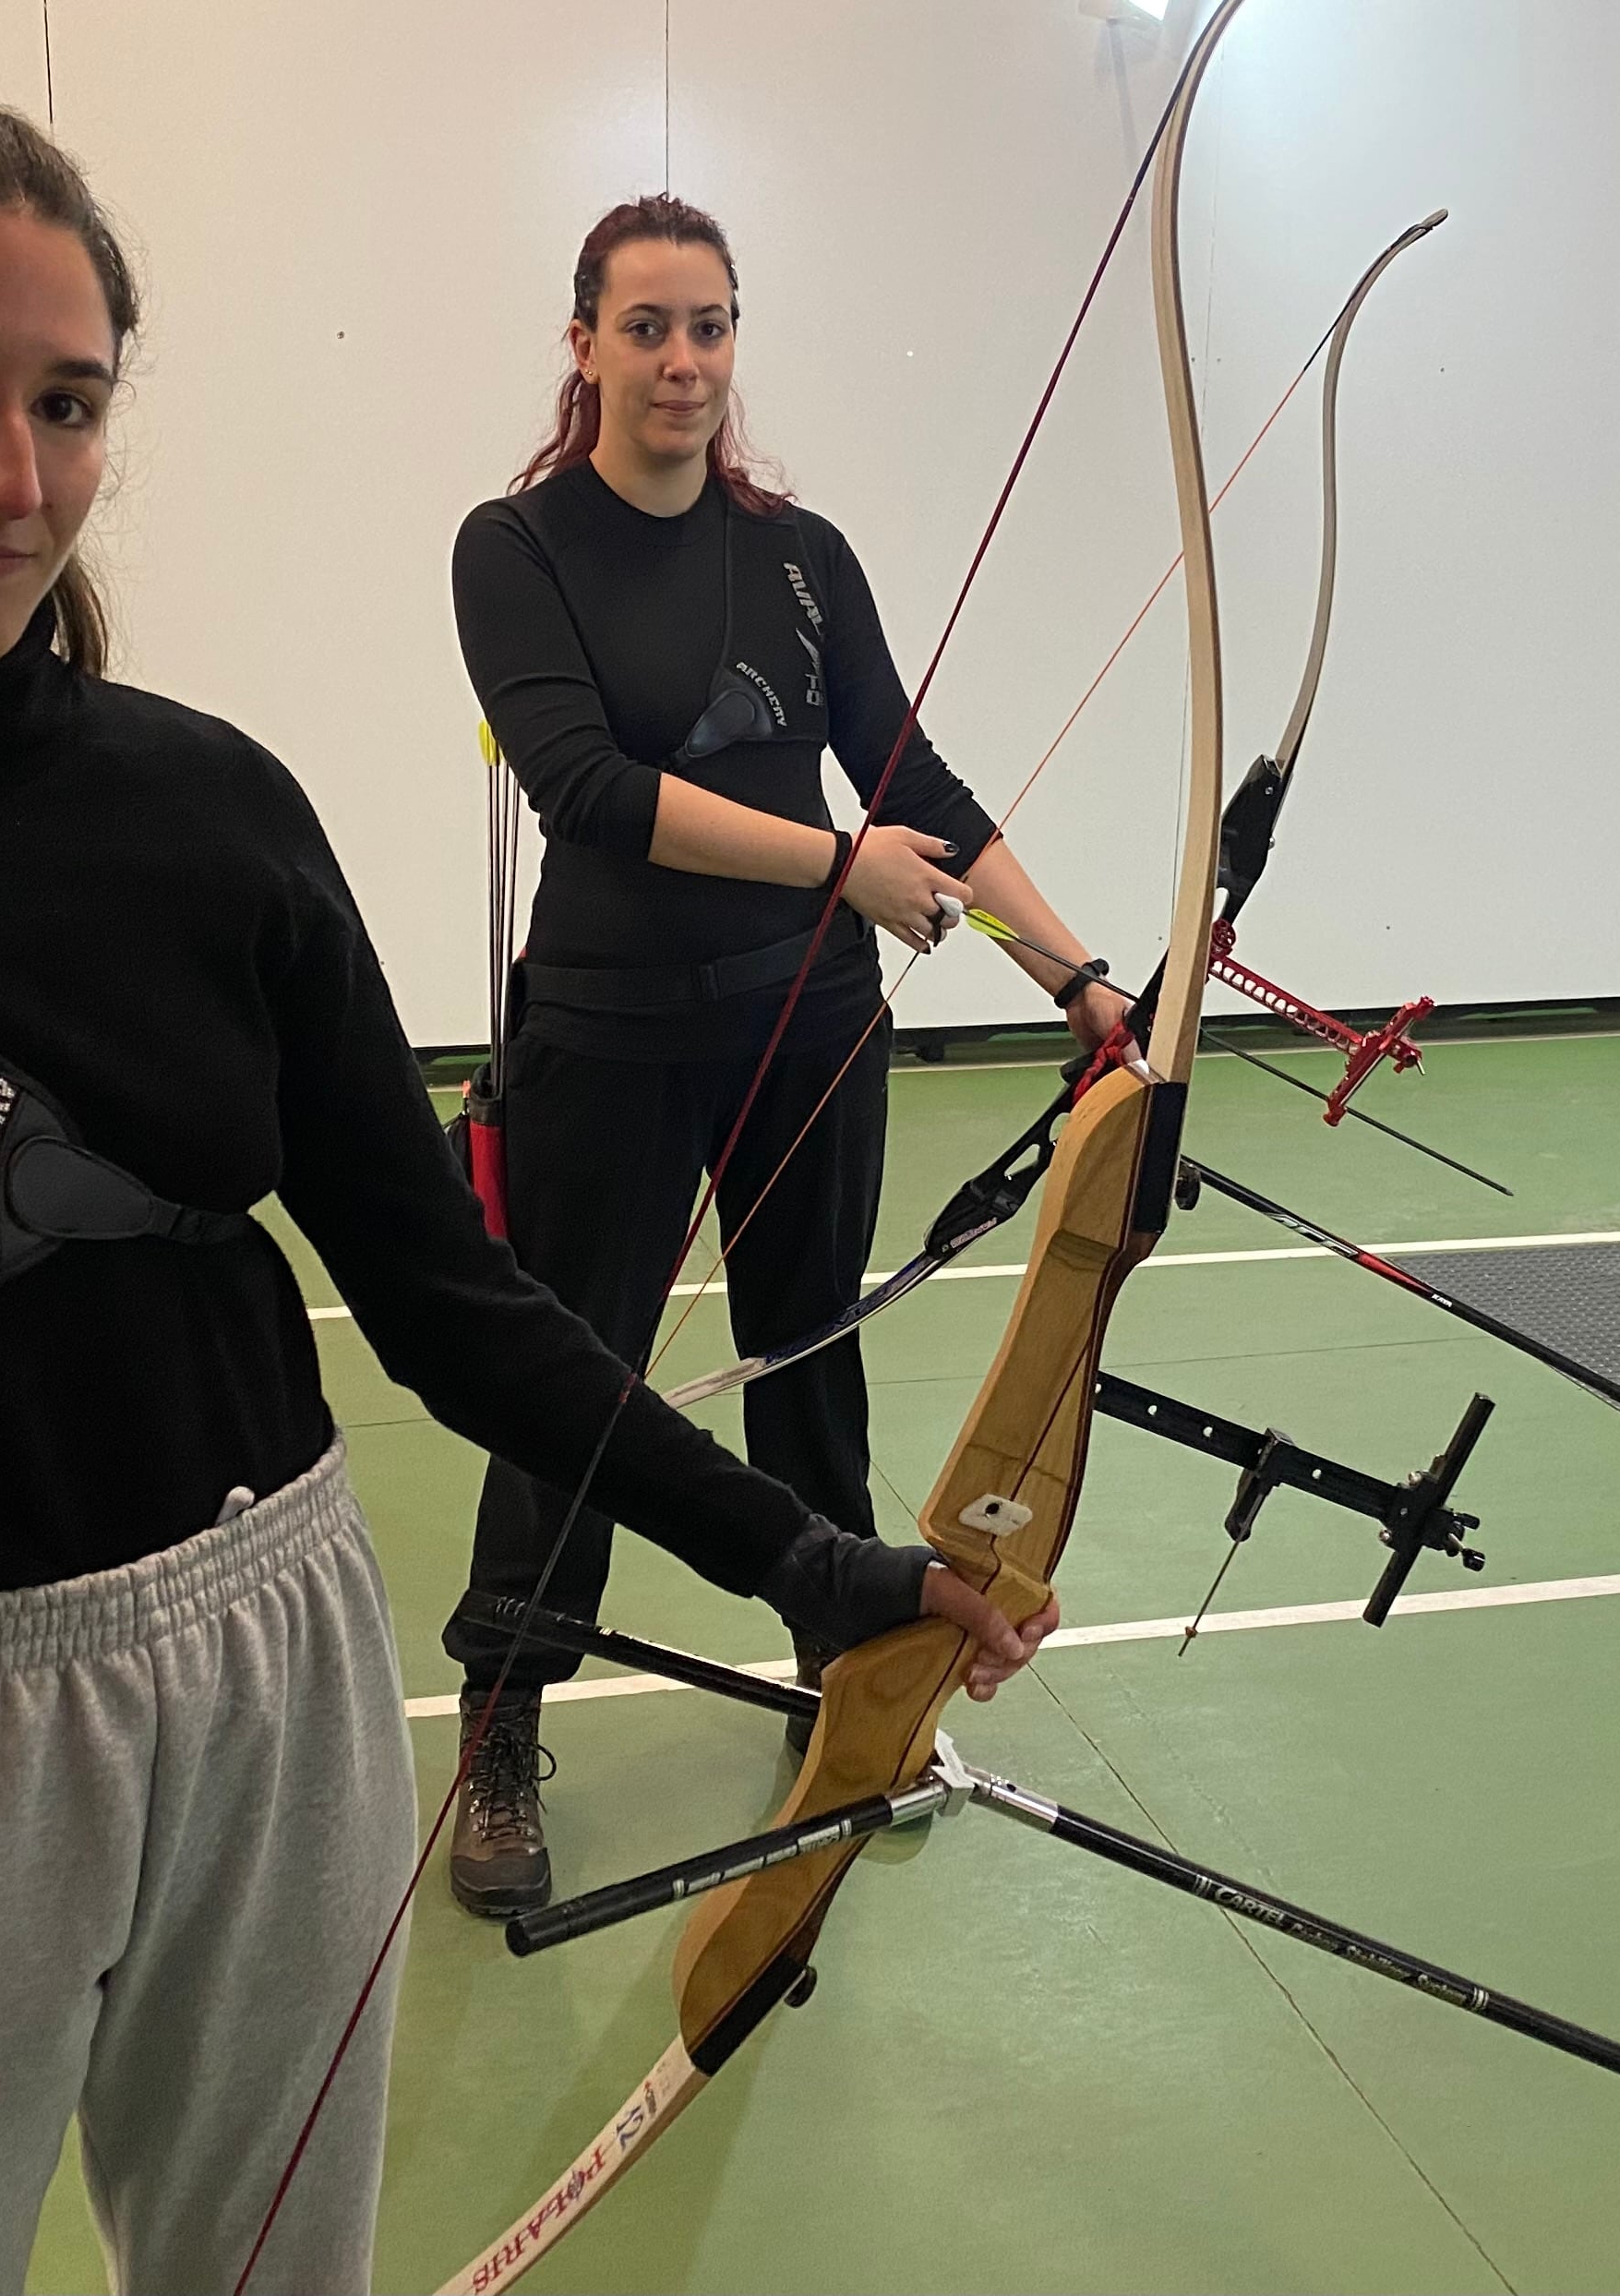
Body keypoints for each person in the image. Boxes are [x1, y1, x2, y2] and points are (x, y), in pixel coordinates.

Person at [0, 87, 1047, 2295]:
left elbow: (451, 1297)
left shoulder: (213, 815)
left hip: (279, 1676)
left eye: (68, 403)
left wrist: (815, 1565)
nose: (12, 474)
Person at [440, 195, 1127, 1916]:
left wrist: (1079, 980)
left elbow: (910, 778)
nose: (683, 362)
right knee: (571, 1380)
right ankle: (506, 1710)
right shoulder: (514, 549)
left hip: (806, 1023)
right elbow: (585, 787)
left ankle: (851, 1679)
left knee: (811, 1360)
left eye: (713, 326)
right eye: (649, 326)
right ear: (582, 339)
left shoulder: (804, 557)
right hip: (602, 1036)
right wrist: (835, 863)